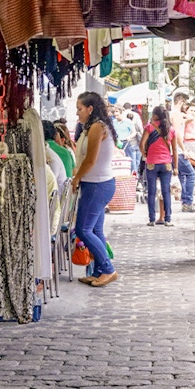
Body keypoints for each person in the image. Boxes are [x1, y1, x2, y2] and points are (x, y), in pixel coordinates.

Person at [72, 92, 119, 287]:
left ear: (90, 109)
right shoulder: (91, 127)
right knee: (95, 229)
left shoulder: (97, 127)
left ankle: (107, 269)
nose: (77, 114)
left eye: (80, 109)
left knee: (83, 229)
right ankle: (100, 270)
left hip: (97, 185)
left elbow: (90, 160)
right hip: (96, 184)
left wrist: (76, 178)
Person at [140, 105, 179, 227]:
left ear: (155, 115)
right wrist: (176, 167)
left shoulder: (149, 128)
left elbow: (142, 144)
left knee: (151, 192)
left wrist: (145, 154)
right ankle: (168, 219)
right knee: (166, 191)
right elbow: (175, 150)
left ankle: (152, 219)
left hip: (151, 163)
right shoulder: (171, 130)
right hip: (166, 164)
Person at [170, 93, 195, 212]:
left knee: (182, 174)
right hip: (178, 150)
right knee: (191, 175)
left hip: (174, 150)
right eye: (185, 104)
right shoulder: (176, 115)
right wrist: (184, 149)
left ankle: (185, 201)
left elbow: (190, 119)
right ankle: (187, 201)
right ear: (180, 101)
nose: (185, 107)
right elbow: (177, 134)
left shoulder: (173, 114)